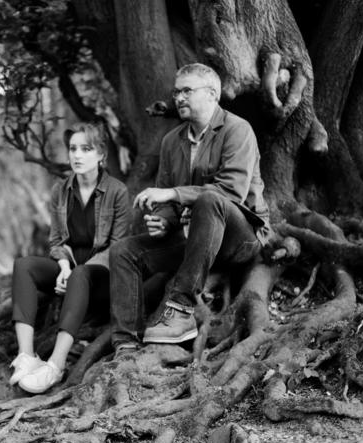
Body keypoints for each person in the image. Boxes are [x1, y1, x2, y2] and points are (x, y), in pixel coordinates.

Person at [109, 63, 271, 355]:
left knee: (211, 200)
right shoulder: (172, 141)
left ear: (212, 94)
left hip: (240, 238)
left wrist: (172, 193)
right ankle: (125, 342)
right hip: (193, 240)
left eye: (187, 91)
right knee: (124, 251)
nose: (179, 98)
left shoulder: (237, 130)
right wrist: (165, 222)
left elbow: (230, 191)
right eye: (176, 92)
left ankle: (181, 307)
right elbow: (169, 203)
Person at [10, 122, 130, 393]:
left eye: (85, 149)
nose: (77, 155)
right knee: (24, 266)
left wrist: (77, 273)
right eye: (73, 149)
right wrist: (64, 267)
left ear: (101, 154)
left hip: (101, 276)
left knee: (81, 275)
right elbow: (56, 241)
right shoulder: (61, 191)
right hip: (70, 269)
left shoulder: (117, 192)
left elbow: (118, 248)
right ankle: (27, 356)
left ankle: (56, 364)